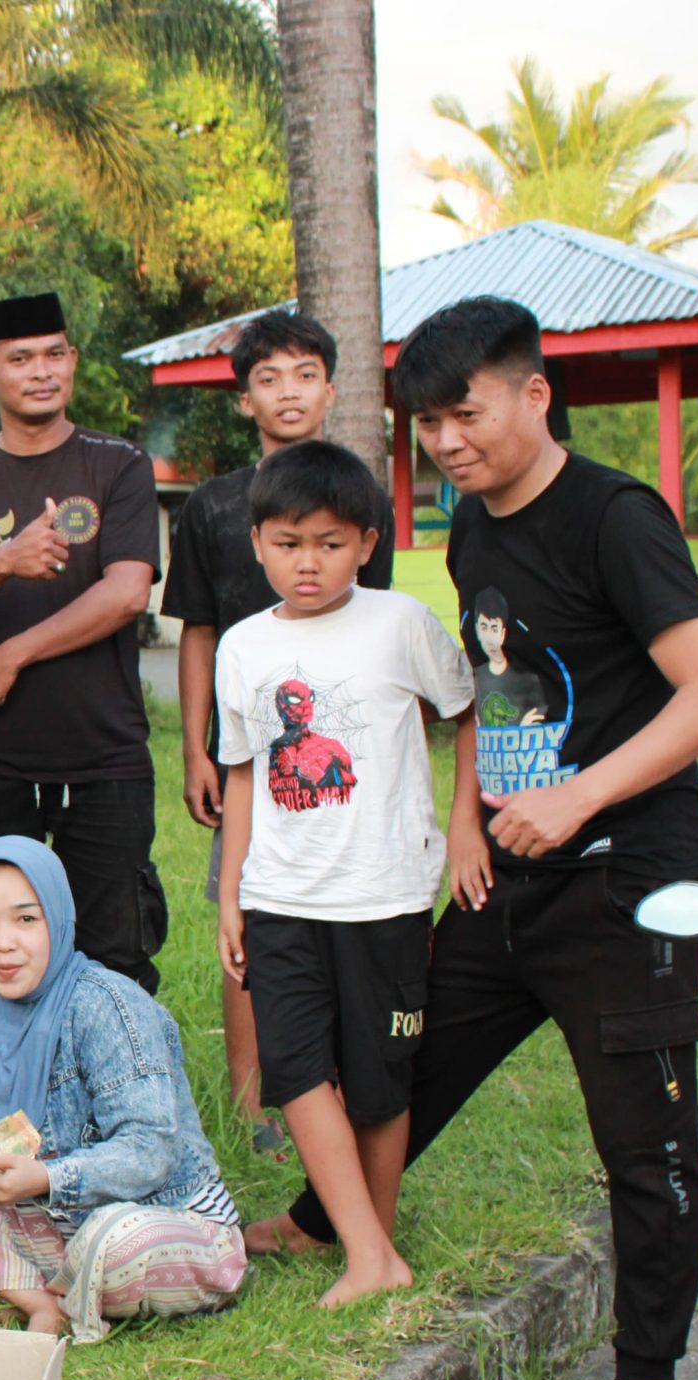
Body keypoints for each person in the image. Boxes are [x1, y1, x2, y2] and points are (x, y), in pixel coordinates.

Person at [245, 298, 698, 1380]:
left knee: (642, 1137)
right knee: (409, 1047)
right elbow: (493, 691)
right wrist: (469, 816)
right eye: (427, 423)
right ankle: (327, 1219)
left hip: (626, 876)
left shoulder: (615, 518)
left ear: (534, 394)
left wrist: (578, 798)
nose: (446, 442)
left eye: (464, 414)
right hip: (509, 869)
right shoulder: (470, 525)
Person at [210, 441, 480, 1309]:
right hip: (281, 896)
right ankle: (366, 1252)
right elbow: (244, 774)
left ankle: (376, 1245)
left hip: (385, 895)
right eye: (289, 543)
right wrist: (231, 894)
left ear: (366, 543)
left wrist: (466, 824)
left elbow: (469, 709)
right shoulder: (243, 646)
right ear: (258, 542)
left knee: (378, 1077)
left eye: (330, 543)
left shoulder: (400, 623)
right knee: (294, 1071)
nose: (309, 563)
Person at [161, 310, 396, 1119]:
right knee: (248, 913)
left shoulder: (363, 499)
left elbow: (376, 631)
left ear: (331, 390)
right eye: (268, 379)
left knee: (337, 914)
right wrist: (197, 750)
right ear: (244, 400)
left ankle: (338, 1084)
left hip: (333, 751)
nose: (288, 393)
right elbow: (197, 631)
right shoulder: (213, 507)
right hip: (247, 757)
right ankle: (252, 1104)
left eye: (305, 375)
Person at [0, 838, 244, 1339]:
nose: (2, 943)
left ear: (58, 918)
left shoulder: (108, 1006)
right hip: (48, 1231)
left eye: (26, 919)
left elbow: (150, 1151)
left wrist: (47, 1177)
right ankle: (43, 1304)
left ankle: (18, 1282)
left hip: (161, 1221)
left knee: (116, 1242)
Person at [0, 292, 169, 995]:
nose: (42, 371)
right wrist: (0, 562)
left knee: (115, 958)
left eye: (55, 354)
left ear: (73, 360)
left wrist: (12, 653)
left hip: (104, 752)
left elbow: (127, 593)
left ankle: (112, 1073)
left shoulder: (118, 465)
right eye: (20, 358)